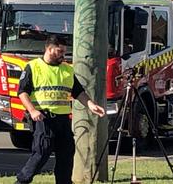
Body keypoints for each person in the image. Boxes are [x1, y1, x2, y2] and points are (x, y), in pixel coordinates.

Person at [15, 35, 106, 184]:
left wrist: (90, 104)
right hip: (44, 118)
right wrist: (32, 111)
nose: (63, 55)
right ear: (49, 49)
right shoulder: (33, 67)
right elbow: (22, 92)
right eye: (60, 51)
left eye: (64, 52)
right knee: (42, 152)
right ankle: (22, 181)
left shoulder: (67, 70)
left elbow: (78, 92)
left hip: (63, 120)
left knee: (66, 154)